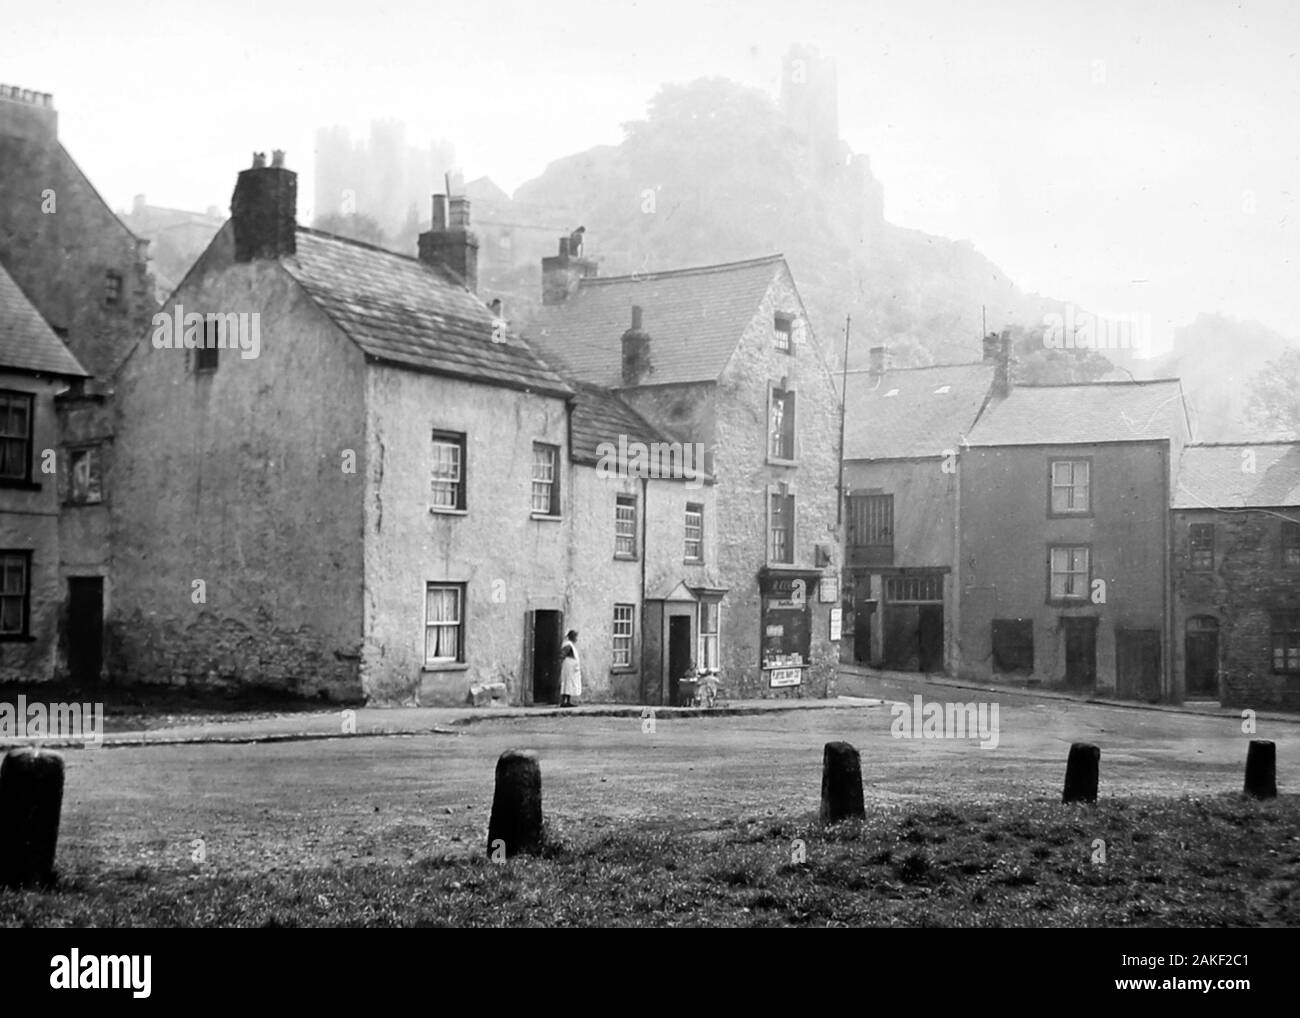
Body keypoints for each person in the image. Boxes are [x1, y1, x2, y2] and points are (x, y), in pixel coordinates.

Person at [559, 629, 582, 707]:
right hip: (568, 667)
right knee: (567, 683)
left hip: (571, 667)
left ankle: (568, 701)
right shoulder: (568, 645)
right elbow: (562, 655)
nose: (576, 639)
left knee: (570, 684)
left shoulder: (571, 645)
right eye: (575, 637)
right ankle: (563, 701)